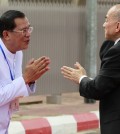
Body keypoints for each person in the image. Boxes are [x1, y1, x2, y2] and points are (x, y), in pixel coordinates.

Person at [61, 4, 120, 134]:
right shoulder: (111, 48)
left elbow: (98, 89)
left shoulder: (116, 52)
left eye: (106, 20)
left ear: (117, 26)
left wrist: (81, 78)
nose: (104, 25)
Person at [0, 10, 50, 134]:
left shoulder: (18, 53)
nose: (28, 34)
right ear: (6, 35)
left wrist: (30, 80)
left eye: (29, 29)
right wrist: (25, 79)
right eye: (23, 30)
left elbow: (16, 89)